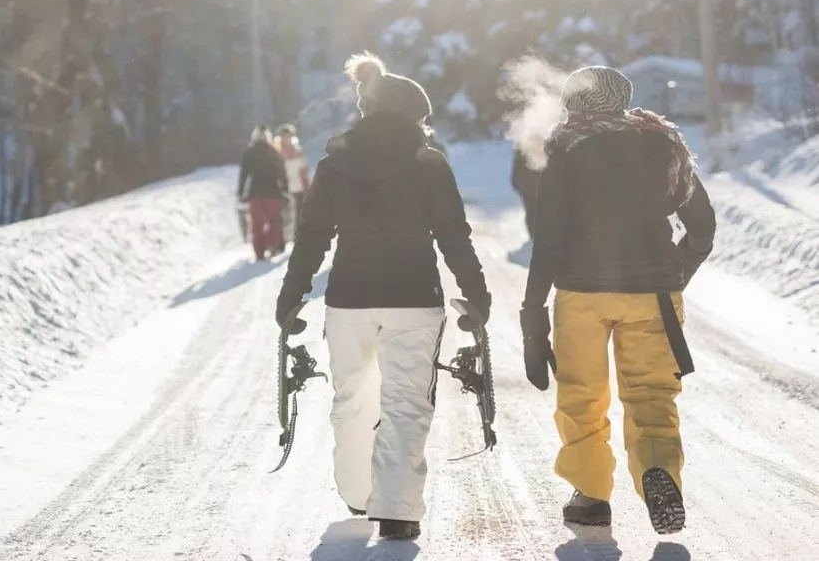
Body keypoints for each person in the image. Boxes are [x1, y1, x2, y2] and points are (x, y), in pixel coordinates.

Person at [275, 52, 491, 540]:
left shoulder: (335, 164)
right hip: (415, 299)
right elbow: (454, 235)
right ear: (415, 117)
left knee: (351, 397)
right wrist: (477, 294)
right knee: (406, 403)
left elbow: (311, 235)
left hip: (350, 299)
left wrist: (291, 295)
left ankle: (358, 493)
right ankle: (396, 510)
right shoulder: (430, 164)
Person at [519, 66, 716, 535]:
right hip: (654, 293)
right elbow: (702, 225)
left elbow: (548, 239)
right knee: (652, 394)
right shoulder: (664, 141)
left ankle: (590, 496)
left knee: (582, 396)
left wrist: (532, 313)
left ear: (573, 103)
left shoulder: (565, 147)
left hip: (581, 292)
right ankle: (658, 473)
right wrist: (676, 273)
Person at [238, 125, 288, 260]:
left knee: (256, 223)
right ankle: (271, 243)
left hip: (254, 193)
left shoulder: (249, 153)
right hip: (273, 192)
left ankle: (259, 252)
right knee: (273, 221)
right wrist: (285, 189)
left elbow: (243, 174)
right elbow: (282, 172)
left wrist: (241, 192)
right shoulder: (274, 152)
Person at [274, 123, 311, 239]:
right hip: (283, 188)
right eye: (284, 136)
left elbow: (304, 170)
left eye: (289, 136)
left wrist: (307, 186)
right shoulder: (276, 152)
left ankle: (297, 235)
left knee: (299, 213)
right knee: (284, 214)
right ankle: (283, 238)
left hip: (298, 186)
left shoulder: (298, 151)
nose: (287, 139)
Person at [510, 145, 541, 239]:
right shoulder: (525, 143)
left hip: (529, 187)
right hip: (531, 187)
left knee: (532, 214)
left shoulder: (524, 142)